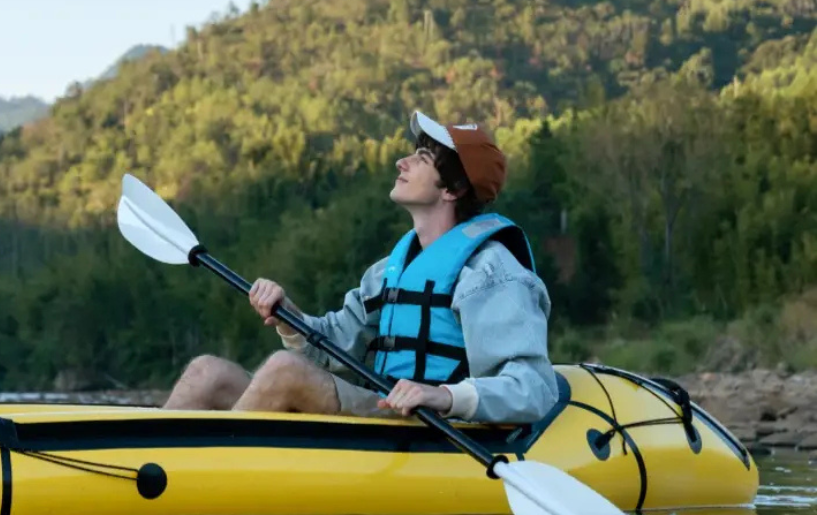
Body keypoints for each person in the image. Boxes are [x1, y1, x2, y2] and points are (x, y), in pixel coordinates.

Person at [161, 110, 559, 425]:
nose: (402, 162)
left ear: (452, 189)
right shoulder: (388, 270)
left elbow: (533, 388)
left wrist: (443, 396)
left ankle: (203, 476)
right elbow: (332, 347)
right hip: (383, 407)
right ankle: (150, 464)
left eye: (421, 158)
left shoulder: (491, 272)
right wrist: (290, 317)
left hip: (430, 428)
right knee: (207, 372)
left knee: (285, 371)